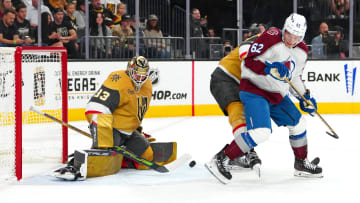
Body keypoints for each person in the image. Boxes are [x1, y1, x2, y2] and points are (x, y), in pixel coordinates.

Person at [207, 13, 323, 184]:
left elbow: (295, 77)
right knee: (261, 131)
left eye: (296, 36)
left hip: (276, 93)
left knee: (299, 123)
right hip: (253, 88)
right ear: (283, 29)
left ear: (303, 36)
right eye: (288, 34)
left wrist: (304, 96)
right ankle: (223, 158)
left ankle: (301, 163)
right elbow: (248, 62)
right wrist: (269, 68)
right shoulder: (270, 36)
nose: (291, 39)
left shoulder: (301, 52)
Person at [53, 56, 176, 180]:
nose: (140, 78)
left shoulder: (147, 85)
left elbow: (134, 110)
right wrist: (101, 131)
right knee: (103, 157)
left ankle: (120, 158)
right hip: (112, 129)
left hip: (129, 132)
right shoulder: (118, 80)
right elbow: (95, 106)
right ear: (129, 70)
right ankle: (73, 166)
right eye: (137, 74)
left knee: (147, 156)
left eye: (143, 75)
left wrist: (136, 127)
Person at [205, 31, 263, 184]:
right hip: (225, 77)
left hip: (242, 84)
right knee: (237, 113)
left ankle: (238, 154)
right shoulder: (261, 40)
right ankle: (245, 151)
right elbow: (246, 50)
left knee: (252, 116)